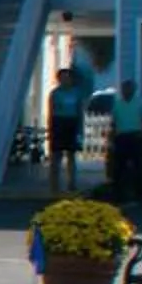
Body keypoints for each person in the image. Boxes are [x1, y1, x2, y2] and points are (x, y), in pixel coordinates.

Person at [107, 76, 142, 202]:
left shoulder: (141, 103)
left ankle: (140, 193)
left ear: (134, 89)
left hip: (136, 136)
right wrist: (111, 139)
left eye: (129, 88)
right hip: (121, 137)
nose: (126, 91)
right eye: (124, 88)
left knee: (139, 166)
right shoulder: (117, 104)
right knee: (119, 167)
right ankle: (118, 193)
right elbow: (113, 123)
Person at [46, 65, 87, 193]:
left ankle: (72, 183)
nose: (65, 80)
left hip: (72, 123)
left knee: (71, 156)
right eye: (62, 78)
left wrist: (80, 129)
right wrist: (51, 130)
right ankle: (54, 184)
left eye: (67, 78)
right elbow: (51, 112)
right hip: (59, 123)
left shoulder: (76, 93)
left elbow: (80, 112)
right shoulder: (55, 94)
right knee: (56, 156)